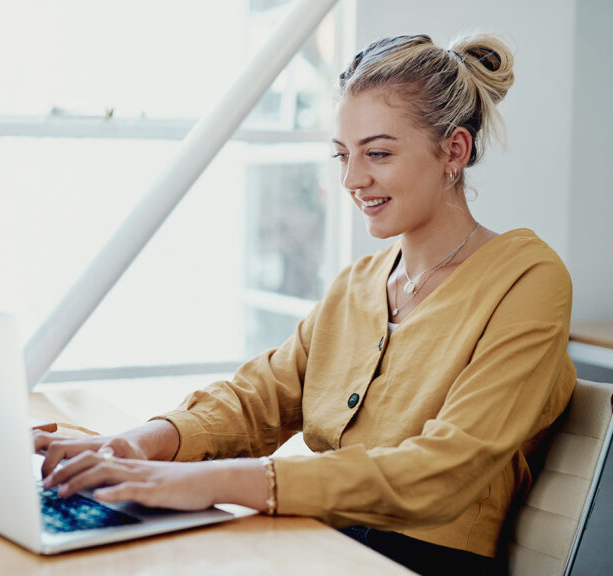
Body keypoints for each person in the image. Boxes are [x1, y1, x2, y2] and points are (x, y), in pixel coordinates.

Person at [35, 33, 576, 575]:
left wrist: (214, 481)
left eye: (378, 153)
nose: (351, 179)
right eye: (343, 155)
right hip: (321, 537)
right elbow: (260, 398)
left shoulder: (528, 279)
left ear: (453, 151)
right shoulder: (358, 283)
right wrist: (134, 447)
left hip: (420, 560)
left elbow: (445, 470)